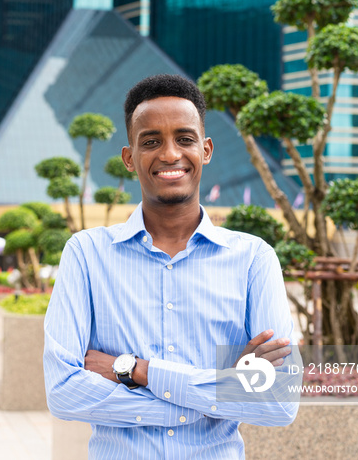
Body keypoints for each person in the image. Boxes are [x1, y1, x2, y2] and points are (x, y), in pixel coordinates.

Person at [43, 74, 299, 459]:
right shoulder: (86, 254)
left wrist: (136, 370)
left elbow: (278, 403)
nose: (169, 154)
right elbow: (63, 391)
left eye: (184, 138)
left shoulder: (253, 260)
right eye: (151, 141)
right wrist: (211, 393)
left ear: (206, 149)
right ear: (129, 158)